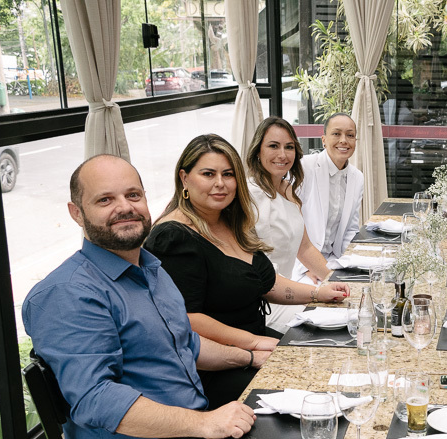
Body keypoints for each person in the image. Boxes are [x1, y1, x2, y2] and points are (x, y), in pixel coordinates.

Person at [22, 154, 310, 439]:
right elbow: (96, 399)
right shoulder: (68, 293)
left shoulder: (149, 268)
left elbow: (187, 347)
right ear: (76, 213)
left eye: (133, 195)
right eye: (105, 199)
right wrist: (206, 423)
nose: (125, 206)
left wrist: (254, 356)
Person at [144, 134, 349, 409]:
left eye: (228, 174)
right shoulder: (173, 237)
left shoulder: (230, 220)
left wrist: (319, 293)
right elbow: (187, 319)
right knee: (315, 394)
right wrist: (254, 343)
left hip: (254, 344)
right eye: (208, 174)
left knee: (335, 363)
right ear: (184, 178)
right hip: (213, 367)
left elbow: (265, 283)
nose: (220, 183)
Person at [246, 116, 332, 331]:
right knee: (324, 326)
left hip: (289, 291)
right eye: (273, 146)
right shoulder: (247, 196)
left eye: (289, 147)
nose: (282, 155)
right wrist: (315, 293)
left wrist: (332, 280)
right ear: (258, 151)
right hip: (261, 301)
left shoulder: (288, 193)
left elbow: (305, 248)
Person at [296, 112, 363, 275]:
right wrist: (311, 266)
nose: (344, 140)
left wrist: (350, 263)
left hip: (335, 260)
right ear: (324, 140)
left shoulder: (357, 177)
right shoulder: (305, 167)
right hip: (300, 264)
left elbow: (351, 229)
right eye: (336, 134)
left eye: (350, 135)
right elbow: (291, 225)